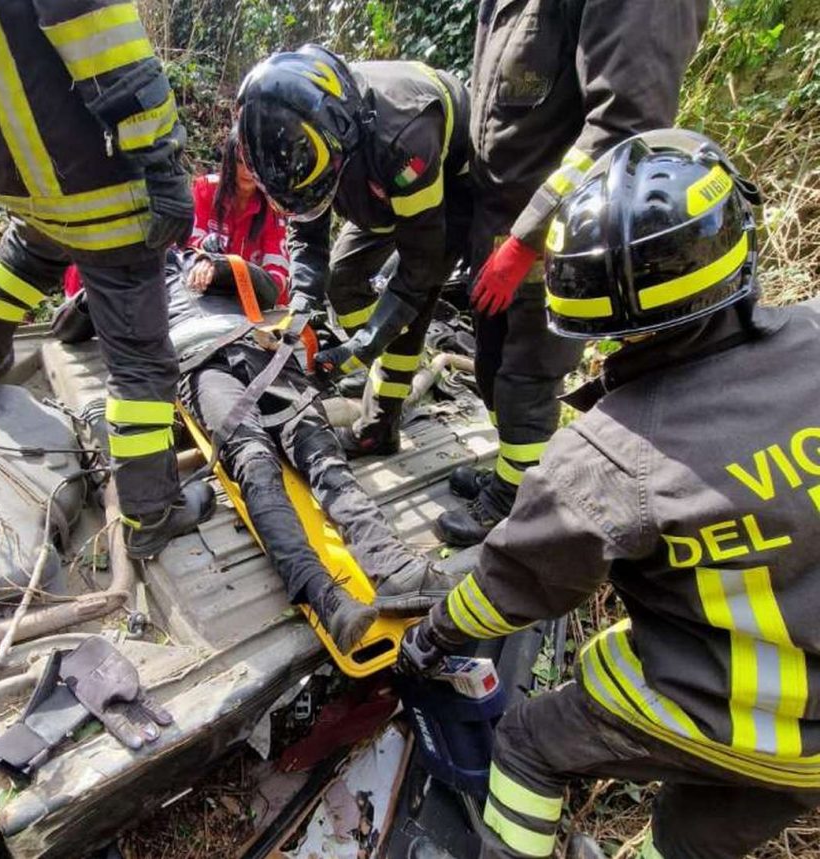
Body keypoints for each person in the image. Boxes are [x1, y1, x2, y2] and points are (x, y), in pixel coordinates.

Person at [398, 130, 820, 859]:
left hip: (720, 703)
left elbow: (512, 583)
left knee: (529, 745)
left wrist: (432, 637)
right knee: (692, 835)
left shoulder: (609, 455)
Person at [0, 0, 212, 559]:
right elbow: (100, 34)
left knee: (28, 252)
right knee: (141, 360)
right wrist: (162, 156)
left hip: (8, 162)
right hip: (84, 163)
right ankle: (151, 514)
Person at [54, 248, 461, 652]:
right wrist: (101, 284)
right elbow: (66, 329)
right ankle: (323, 596)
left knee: (320, 451)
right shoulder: (118, 277)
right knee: (254, 462)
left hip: (260, 348)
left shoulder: (202, 258)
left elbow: (268, 291)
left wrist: (226, 267)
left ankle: (395, 567)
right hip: (199, 365)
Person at [436, 0, 710, 548]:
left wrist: (527, 237)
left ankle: (519, 503)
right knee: (492, 363)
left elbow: (628, 122)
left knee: (527, 373)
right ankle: (515, 469)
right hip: (496, 219)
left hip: (557, 226)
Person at [237, 45, 472, 457]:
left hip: (446, 189)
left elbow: (418, 272)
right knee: (343, 279)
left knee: (407, 319)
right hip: (375, 182)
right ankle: (377, 360)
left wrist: (365, 343)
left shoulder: (405, 138)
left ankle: (379, 426)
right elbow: (306, 231)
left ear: (343, 137)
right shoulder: (298, 136)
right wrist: (304, 300)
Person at [188, 127, 290, 304]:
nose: (247, 171)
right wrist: (204, 251)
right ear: (229, 162)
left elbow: (278, 274)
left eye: (252, 162)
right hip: (205, 295)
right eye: (239, 162)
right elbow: (183, 246)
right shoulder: (204, 189)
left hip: (256, 305)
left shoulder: (275, 206)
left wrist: (235, 274)